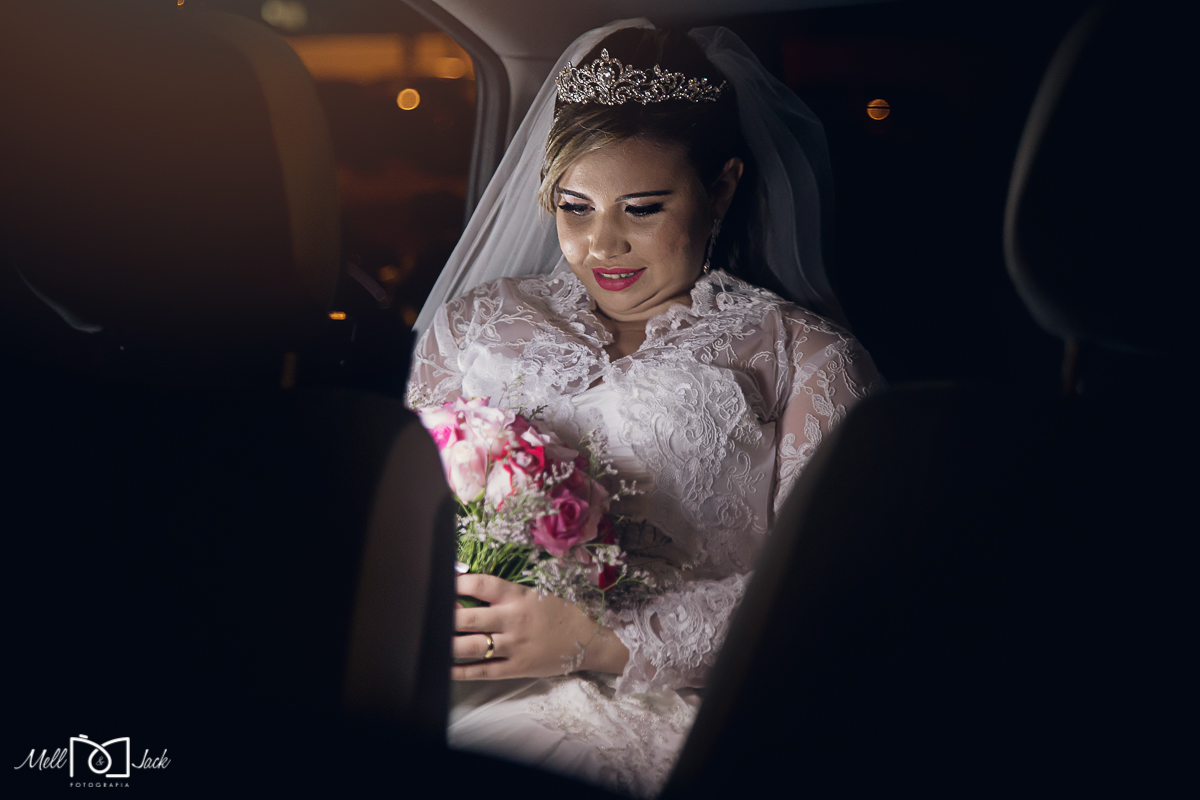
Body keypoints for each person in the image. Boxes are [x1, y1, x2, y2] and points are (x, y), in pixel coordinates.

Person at [406, 21, 883, 797]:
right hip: (465, 690)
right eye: (574, 207)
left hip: (686, 711)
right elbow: (410, 532)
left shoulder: (806, 357)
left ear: (721, 188)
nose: (603, 244)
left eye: (642, 209)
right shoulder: (473, 326)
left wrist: (600, 640)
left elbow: (830, 597)